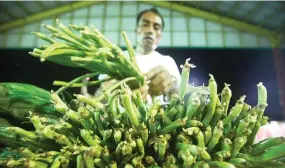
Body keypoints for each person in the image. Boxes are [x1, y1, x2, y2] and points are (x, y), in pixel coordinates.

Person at [82, 8, 181, 103]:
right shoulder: (118, 57)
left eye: (156, 27)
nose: (150, 30)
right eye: (145, 24)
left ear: (160, 36)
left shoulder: (167, 61)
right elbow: (101, 96)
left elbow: (179, 100)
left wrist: (171, 86)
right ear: (137, 30)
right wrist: (96, 99)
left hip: (155, 119)